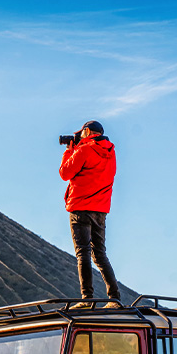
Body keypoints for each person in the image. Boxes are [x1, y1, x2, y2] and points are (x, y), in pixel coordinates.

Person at [59, 120, 122, 308]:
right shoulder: (111, 153)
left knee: (83, 253)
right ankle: (115, 298)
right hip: (100, 210)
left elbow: (65, 172)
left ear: (87, 131)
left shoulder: (84, 150)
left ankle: (87, 299)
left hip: (80, 207)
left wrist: (69, 150)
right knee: (100, 254)